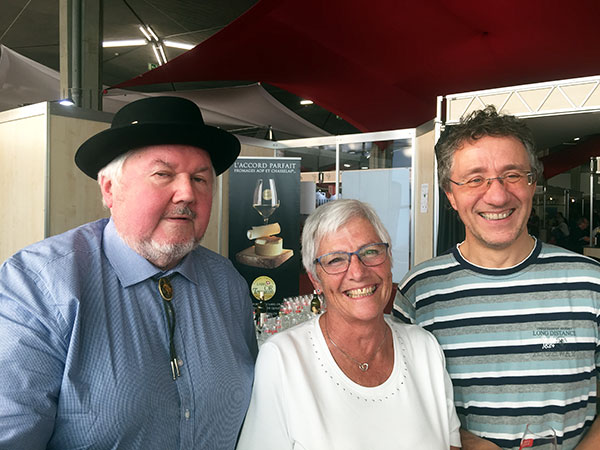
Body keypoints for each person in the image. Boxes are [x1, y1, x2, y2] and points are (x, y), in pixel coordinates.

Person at [0, 96, 258, 449]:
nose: (187, 193)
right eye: (163, 174)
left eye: (200, 179)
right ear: (110, 189)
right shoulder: (41, 284)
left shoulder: (226, 283)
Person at [393, 106, 600, 449]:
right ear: (450, 195)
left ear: (533, 183)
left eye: (513, 175)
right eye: (475, 179)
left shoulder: (591, 284)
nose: (498, 195)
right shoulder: (419, 293)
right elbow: (405, 404)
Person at [237, 199, 461, 450]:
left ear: (389, 260)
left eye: (370, 252)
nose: (357, 272)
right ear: (316, 280)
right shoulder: (284, 358)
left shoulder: (425, 348)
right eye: (335, 260)